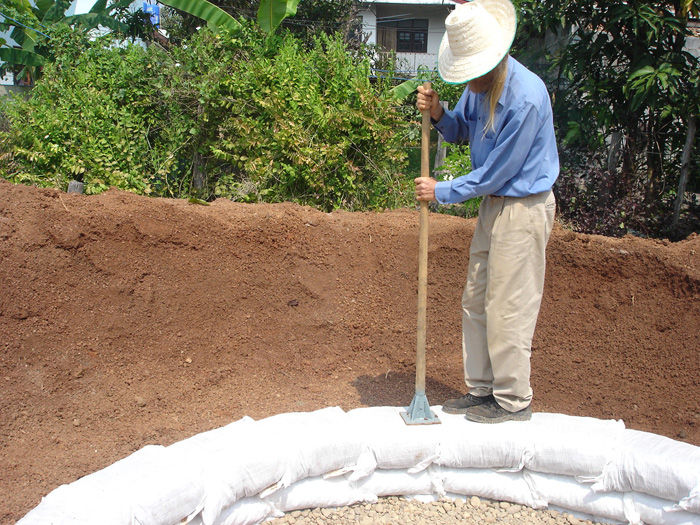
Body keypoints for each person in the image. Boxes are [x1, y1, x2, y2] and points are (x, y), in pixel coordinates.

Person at [414, 0, 559, 423]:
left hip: (523, 208)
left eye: (469, 73)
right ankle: (482, 390)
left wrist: (441, 191)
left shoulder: (526, 98)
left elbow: (496, 173)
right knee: (476, 298)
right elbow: (462, 129)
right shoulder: (479, 87)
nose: (466, 81)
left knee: (509, 305)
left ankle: (513, 401)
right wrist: (441, 113)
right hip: (493, 208)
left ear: (492, 62)